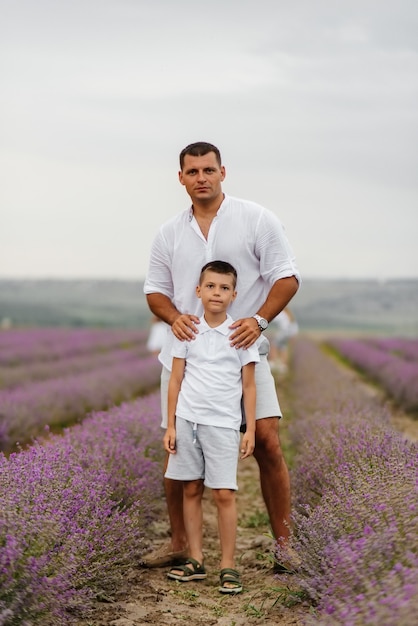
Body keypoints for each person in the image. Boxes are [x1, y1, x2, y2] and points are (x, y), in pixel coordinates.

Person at [143, 141, 300, 572]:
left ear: (223, 172)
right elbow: (154, 290)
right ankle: (179, 542)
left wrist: (260, 320)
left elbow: (286, 278)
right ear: (181, 178)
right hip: (186, 358)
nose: (201, 178)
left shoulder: (256, 218)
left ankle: (285, 545)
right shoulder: (169, 233)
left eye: (208, 170)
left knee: (267, 439)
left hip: (242, 351)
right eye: (192, 172)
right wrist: (174, 317)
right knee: (177, 448)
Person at [164, 260, 258, 593]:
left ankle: (229, 565)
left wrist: (250, 430)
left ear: (234, 294)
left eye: (224, 288)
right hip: (188, 421)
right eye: (211, 286)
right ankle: (196, 559)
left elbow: (249, 386)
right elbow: (175, 380)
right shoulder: (187, 330)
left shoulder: (241, 335)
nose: (217, 293)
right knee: (191, 489)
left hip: (222, 425)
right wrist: (171, 425)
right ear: (199, 291)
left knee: (223, 493)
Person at [268, 307, 299, 374]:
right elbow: (294, 327)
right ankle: (284, 366)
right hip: (287, 334)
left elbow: (271, 319)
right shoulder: (290, 316)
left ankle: (272, 363)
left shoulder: (281, 313)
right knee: (283, 347)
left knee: (274, 345)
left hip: (283, 332)